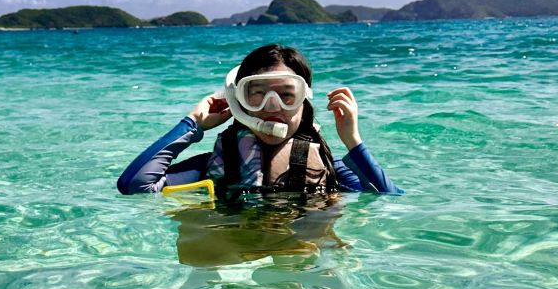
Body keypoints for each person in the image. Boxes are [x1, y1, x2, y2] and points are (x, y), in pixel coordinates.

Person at [117, 43, 402, 199]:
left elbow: (388, 198)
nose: (272, 107)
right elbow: (135, 185)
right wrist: (193, 123)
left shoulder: (327, 166)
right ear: (239, 102)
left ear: (304, 100)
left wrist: (352, 141)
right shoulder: (221, 163)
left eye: (287, 95)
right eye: (257, 95)